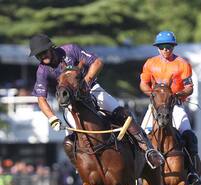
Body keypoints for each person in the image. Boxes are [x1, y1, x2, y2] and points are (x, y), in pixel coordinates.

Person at [28, 34, 163, 169]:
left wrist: (85, 82)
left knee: (123, 114)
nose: (41, 57)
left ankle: (149, 151)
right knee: (70, 143)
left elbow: (97, 62)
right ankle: (80, 170)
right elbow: (41, 98)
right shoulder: (42, 71)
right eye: (38, 55)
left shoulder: (70, 50)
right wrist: (52, 118)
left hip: (91, 90)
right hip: (71, 103)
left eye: (43, 52)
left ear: (51, 48)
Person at [139, 31, 201, 185]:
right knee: (139, 137)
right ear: (157, 48)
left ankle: (192, 172)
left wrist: (176, 95)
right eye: (162, 47)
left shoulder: (182, 63)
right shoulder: (150, 63)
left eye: (169, 47)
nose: (165, 50)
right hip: (155, 107)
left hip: (176, 106)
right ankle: (136, 174)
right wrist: (153, 94)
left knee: (189, 135)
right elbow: (143, 84)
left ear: (173, 47)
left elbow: (189, 88)